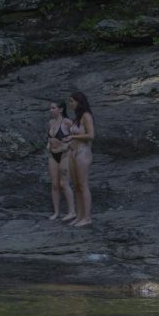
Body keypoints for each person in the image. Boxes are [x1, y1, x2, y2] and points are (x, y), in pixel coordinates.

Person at [64, 92, 95, 227]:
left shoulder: (86, 116)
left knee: (83, 185)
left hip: (83, 151)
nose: (70, 104)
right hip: (73, 151)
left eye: (71, 101)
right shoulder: (77, 117)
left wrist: (73, 137)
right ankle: (79, 215)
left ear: (78, 102)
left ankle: (87, 217)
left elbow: (91, 135)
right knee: (76, 185)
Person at [46, 101, 75, 221]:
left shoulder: (67, 122)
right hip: (53, 155)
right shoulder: (51, 122)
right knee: (54, 184)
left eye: (53, 108)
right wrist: (48, 145)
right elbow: (50, 137)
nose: (51, 110)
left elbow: (76, 137)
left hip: (64, 155)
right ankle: (56, 212)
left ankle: (72, 211)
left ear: (61, 109)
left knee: (64, 183)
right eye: (50, 108)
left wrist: (67, 146)